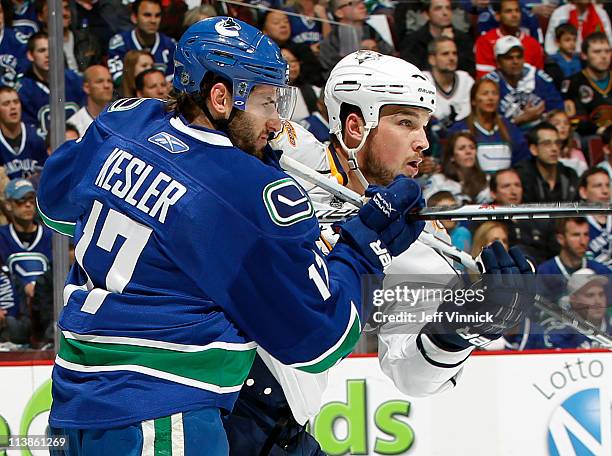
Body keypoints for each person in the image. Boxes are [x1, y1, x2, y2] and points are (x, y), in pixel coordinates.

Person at [39, 18, 426, 454]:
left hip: (72, 405)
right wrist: (363, 245)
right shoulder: (253, 192)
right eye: (265, 102)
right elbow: (321, 341)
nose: (278, 121)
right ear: (221, 97)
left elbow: (55, 207)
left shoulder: (123, 121)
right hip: (161, 418)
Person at [248, 50, 535, 455]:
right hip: (197, 382)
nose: (424, 141)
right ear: (354, 126)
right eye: (405, 123)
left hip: (273, 423)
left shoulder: (414, 237)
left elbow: (410, 374)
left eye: (424, 125)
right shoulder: (290, 151)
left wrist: (462, 327)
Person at [448, 78, 529, 173]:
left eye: (494, 93)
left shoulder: (510, 128)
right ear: (473, 100)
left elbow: (522, 162)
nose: (491, 98)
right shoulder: (460, 129)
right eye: (485, 93)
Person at [484, 36, 563, 131]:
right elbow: (487, 124)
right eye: (509, 58)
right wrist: (521, 119)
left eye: (519, 56)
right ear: (498, 62)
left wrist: (545, 117)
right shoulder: (489, 84)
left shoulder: (538, 78)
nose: (515, 61)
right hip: (506, 138)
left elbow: (557, 109)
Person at [17, 32, 84, 138]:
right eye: (41, 50)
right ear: (30, 55)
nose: (48, 55)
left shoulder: (74, 80)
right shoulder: (23, 90)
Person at [537, 217, 610, 304]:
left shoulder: (601, 271)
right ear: (561, 239)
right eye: (576, 235)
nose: (583, 242)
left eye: (586, 234)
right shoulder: (545, 273)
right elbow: (538, 312)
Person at [0, 178, 51, 301]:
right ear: (8, 205)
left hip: (47, 306)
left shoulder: (50, 236)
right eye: (21, 200)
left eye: (31, 199)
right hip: (13, 306)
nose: (28, 205)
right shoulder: (2, 237)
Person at [319, 0, 393, 78]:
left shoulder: (371, 31)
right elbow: (330, 71)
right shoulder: (332, 39)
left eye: (361, 2)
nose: (362, 6)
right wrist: (360, 53)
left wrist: (376, 50)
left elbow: (391, 58)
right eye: (352, 4)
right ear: (339, 13)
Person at [107, 0, 175, 84]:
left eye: (157, 16)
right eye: (147, 15)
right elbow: (118, 79)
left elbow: (173, 81)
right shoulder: (119, 43)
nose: (153, 20)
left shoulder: (170, 45)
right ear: (134, 18)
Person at [399, 0, 475, 74]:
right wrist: (440, 44)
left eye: (448, 8)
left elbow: (469, 70)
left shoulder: (463, 39)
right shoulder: (412, 41)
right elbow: (412, 71)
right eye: (438, 9)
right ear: (426, 14)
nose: (445, 13)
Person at [474, 0, 544, 79]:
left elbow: (538, 77)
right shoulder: (485, 41)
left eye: (517, 11)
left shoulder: (533, 44)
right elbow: (484, 78)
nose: (514, 15)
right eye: (508, 11)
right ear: (497, 16)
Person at [561, 32, 611, 137]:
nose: (603, 56)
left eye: (607, 51)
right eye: (597, 52)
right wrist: (602, 131)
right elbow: (576, 120)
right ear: (584, 55)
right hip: (590, 138)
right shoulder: (572, 83)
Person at [514, 122, 579, 203]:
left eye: (557, 143)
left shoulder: (569, 174)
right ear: (534, 149)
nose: (554, 148)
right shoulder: (521, 176)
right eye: (547, 143)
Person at [423, 131, 490, 203]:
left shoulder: (486, 180)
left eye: (472, 147)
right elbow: (426, 206)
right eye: (462, 148)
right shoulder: (437, 180)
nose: (468, 152)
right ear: (452, 156)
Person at [424, 36, 475, 128]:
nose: (452, 58)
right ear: (432, 59)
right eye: (445, 54)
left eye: (454, 53)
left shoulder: (466, 80)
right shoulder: (423, 81)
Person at [0, 86, 46, 179]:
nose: (13, 107)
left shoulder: (36, 138)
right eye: (6, 104)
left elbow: (45, 175)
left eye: (16, 102)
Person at [544, 0, 612, 56]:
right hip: (565, 60)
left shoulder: (601, 13)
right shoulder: (560, 13)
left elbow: (609, 41)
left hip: (593, 60)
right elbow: (550, 45)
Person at [67, 65, 113, 137]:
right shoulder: (75, 124)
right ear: (86, 87)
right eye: (100, 81)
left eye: (109, 81)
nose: (106, 85)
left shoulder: (122, 117)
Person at [578, 167, 612, 266]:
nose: (605, 191)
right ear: (583, 192)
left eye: (608, 185)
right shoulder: (576, 222)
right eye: (598, 186)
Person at [545, 109, 587, 177]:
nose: (563, 126)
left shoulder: (577, 154)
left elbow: (584, 179)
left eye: (566, 123)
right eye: (557, 123)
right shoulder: (543, 154)